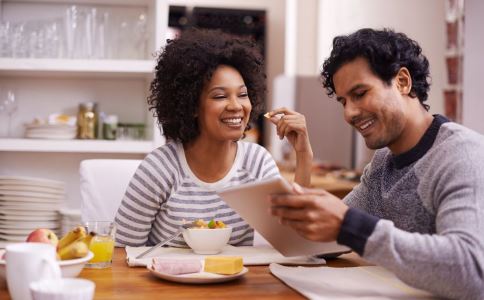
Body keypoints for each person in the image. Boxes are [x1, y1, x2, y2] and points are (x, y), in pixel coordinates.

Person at [268, 28, 484, 299]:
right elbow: (326, 235)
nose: (349, 113)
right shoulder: (384, 162)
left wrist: (349, 226)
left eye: (360, 93)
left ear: (402, 82)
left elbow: (472, 273)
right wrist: (303, 162)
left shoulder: (461, 155)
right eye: (343, 101)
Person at [114, 28, 310, 249]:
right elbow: (122, 252)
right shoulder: (161, 168)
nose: (237, 106)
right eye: (220, 96)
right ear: (192, 106)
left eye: (243, 94)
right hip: (169, 281)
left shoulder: (256, 162)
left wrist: (303, 155)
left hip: (235, 281)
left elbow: (293, 241)